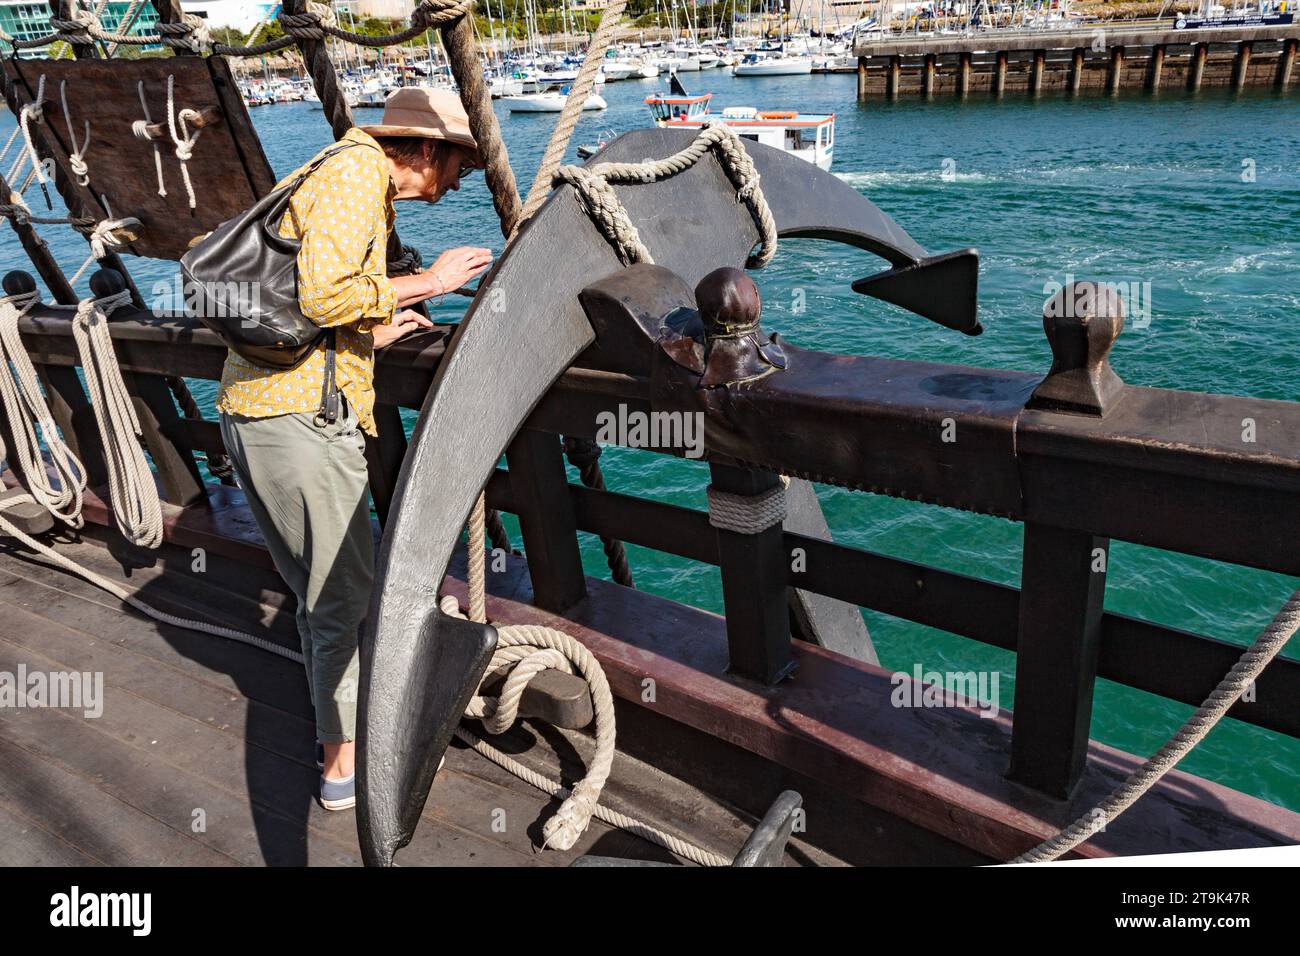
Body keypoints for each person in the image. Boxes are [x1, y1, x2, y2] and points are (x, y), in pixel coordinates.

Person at [216, 88, 494, 811]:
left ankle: (335, 740)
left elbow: (309, 307)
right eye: (459, 163)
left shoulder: (335, 171)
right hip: (298, 423)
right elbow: (321, 294)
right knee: (343, 598)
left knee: (322, 597)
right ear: (426, 150)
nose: (462, 179)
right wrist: (431, 282)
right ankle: (345, 768)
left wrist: (370, 333)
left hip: (268, 409)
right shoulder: (355, 174)